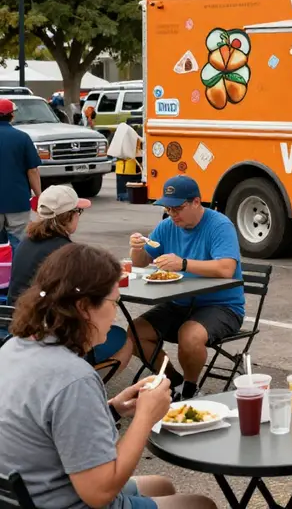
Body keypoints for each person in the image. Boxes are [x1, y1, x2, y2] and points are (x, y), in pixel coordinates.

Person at [0, 243, 217, 509]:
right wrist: (145, 417)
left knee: (161, 486)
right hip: (66, 499)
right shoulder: (74, 378)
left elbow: (49, 420)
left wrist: (113, 409)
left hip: (32, 489)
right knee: (201, 504)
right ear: (83, 307)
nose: (115, 313)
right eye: (114, 302)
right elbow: (100, 493)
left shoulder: (13, 347)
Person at [128, 175, 245, 400]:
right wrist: (137, 248)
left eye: (178, 208)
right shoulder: (167, 226)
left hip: (222, 305)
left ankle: (190, 390)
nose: (172, 214)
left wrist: (183, 264)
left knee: (189, 335)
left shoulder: (219, 225)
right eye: (168, 209)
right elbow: (141, 262)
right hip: (179, 302)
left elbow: (226, 268)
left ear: (196, 202)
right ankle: (174, 382)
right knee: (135, 333)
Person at [7, 184, 133, 370]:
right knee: (126, 339)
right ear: (68, 216)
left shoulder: (26, 242)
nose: (78, 217)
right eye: (78, 212)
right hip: (54, 335)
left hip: (21, 326)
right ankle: (86, 382)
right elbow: (87, 297)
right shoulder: (65, 253)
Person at [0, 97, 42, 253]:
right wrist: (39, 195)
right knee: (19, 243)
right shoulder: (22, 137)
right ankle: (18, 268)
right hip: (17, 200)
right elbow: (32, 170)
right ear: (12, 115)